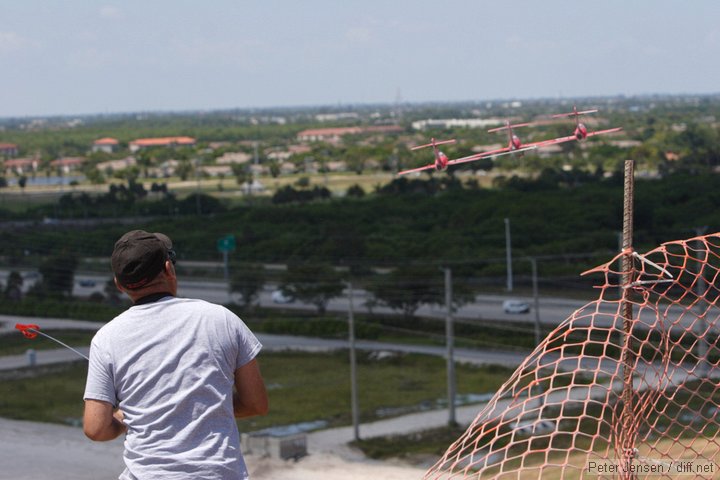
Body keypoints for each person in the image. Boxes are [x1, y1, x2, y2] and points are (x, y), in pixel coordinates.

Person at [83, 230, 267, 479]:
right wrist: (203, 406)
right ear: (168, 268)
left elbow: (95, 428)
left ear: (119, 284)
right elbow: (256, 404)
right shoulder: (221, 319)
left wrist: (124, 418)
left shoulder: (106, 339)